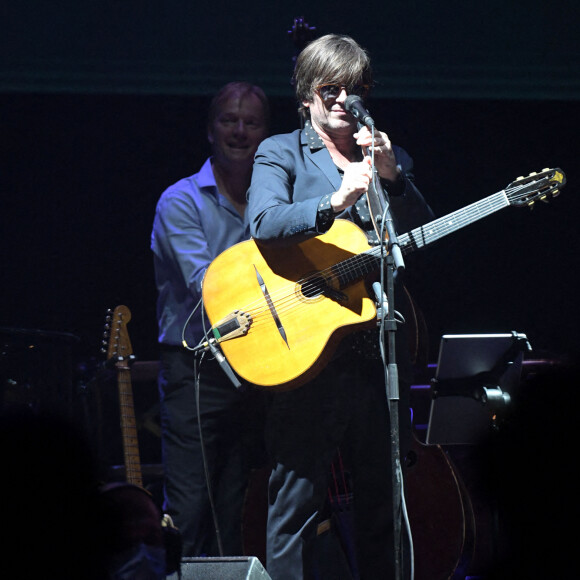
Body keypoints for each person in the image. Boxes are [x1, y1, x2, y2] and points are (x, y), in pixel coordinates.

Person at [246, 34, 435, 579]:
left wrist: (393, 179)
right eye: (329, 89)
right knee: (298, 506)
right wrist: (335, 201)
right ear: (306, 95)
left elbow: (419, 237)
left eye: (353, 91)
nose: (341, 101)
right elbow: (263, 222)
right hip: (309, 358)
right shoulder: (280, 151)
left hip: (376, 353)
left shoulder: (380, 156)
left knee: (381, 502)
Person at [150, 82, 270, 557]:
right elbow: (210, 288)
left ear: (267, 134)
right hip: (195, 370)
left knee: (242, 506)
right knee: (191, 507)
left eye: (252, 122)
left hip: (259, 368)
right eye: (229, 120)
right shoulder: (180, 201)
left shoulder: (272, 203)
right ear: (209, 129)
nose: (239, 131)